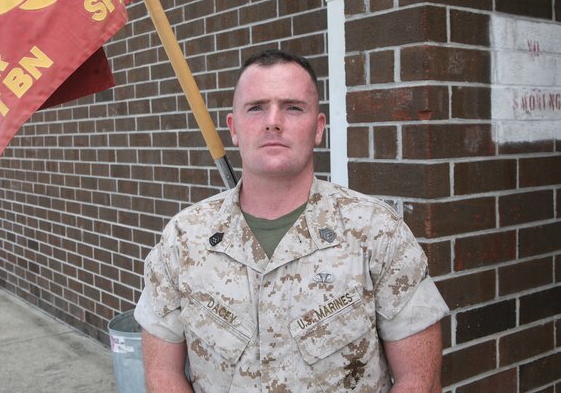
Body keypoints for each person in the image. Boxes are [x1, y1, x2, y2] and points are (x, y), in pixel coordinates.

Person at [134, 49, 449, 392]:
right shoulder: (184, 238)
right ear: (233, 128)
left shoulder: (376, 232)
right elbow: (162, 373)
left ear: (318, 129)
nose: (273, 121)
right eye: (256, 108)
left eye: (293, 107)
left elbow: (419, 379)